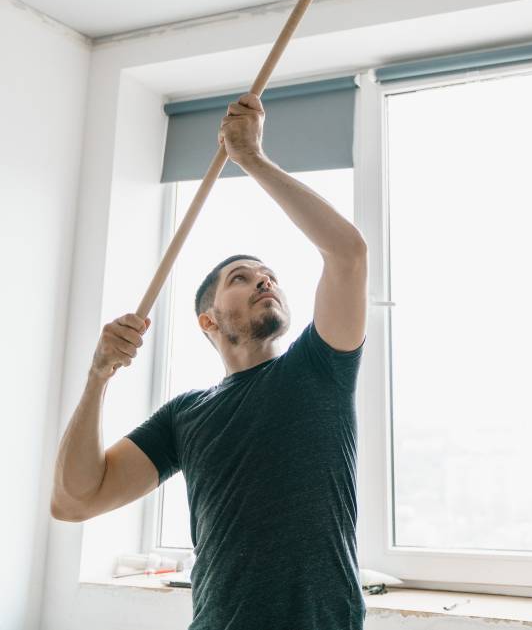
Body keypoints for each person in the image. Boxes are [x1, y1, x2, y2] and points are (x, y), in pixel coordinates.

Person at [51, 93, 368, 630]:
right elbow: (75, 500)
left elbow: (348, 254)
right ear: (208, 320)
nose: (264, 279)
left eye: (269, 274)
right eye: (240, 277)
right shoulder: (185, 415)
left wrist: (251, 159)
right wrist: (98, 376)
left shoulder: (319, 368)